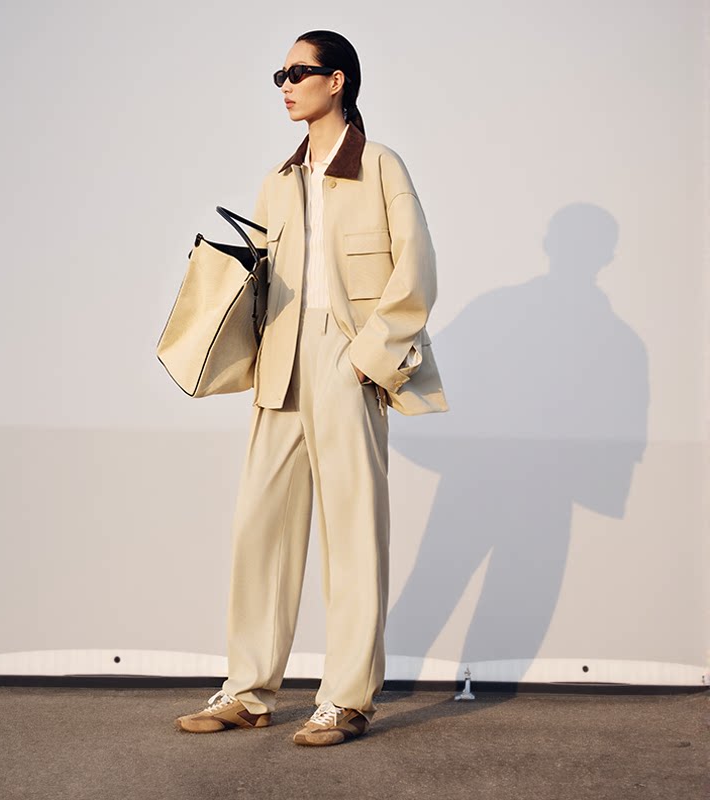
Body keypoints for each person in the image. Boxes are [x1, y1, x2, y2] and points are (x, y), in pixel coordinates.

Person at [176, 29, 448, 746]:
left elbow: (416, 271)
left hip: (347, 356)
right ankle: (248, 690)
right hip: (282, 362)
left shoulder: (381, 164)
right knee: (260, 526)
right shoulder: (278, 180)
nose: (286, 85)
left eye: (298, 72)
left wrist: (368, 359)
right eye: (281, 74)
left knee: (352, 531)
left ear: (338, 81)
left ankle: (347, 698)